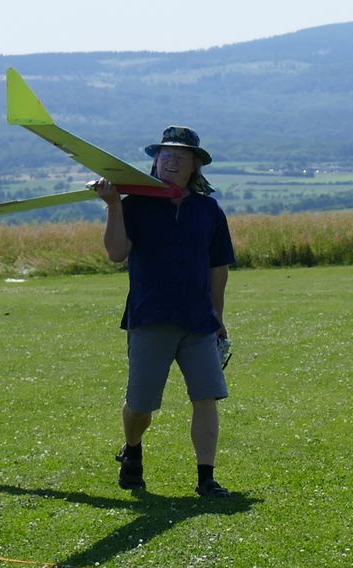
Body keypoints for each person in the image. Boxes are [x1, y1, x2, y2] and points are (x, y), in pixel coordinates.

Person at [96, 126, 236, 498]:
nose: (170, 160)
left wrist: (218, 317)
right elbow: (115, 252)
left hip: (198, 321)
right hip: (150, 317)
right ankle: (133, 452)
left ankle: (206, 477)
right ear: (156, 161)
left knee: (206, 397)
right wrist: (112, 205)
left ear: (194, 166)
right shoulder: (135, 206)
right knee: (140, 407)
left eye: (180, 156)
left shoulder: (208, 210)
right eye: (164, 155)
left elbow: (218, 268)